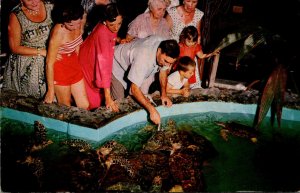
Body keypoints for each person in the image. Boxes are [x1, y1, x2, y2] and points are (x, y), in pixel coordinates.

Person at [111, 35, 180, 124]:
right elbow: (134, 89)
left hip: (130, 63)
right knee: (120, 105)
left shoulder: (165, 45)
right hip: (116, 64)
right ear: (159, 51)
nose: (167, 66)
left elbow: (163, 71)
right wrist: (152, 110)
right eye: (166, 61)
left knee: (138, 98)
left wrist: (164, 95)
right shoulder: (143, 58)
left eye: (171, 63)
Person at [2, 0, 54, 99]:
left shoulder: (50, 6)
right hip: (27, 66)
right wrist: (41, 52)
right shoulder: (16, 15)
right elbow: (14, 48)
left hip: (51, 59)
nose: (34, 2)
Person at [43, 3, 89, 109]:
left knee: (84, 105)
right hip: (60, 68)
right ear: (63, 21)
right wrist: (50, 91)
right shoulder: (58, 32)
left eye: (77, 24)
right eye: (71, 25)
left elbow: (77, 46)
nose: (75, 27)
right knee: (66, 107)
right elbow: (49, 63)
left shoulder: (80, 20)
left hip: (73, 64)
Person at [79, 3, 123, 111]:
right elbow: (105, 67)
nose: (116, 28)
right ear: (104, 21)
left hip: (93, 58)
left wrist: (118, 40)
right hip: (86, 64)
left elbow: (112, 35)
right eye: (112, 25)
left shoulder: (109, 25)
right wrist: (108, 97)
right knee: (93, 104)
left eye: (119, 23)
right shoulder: (102, 33)